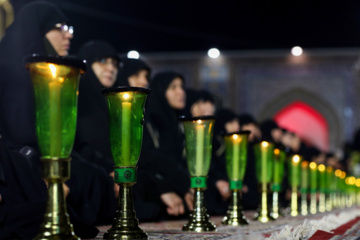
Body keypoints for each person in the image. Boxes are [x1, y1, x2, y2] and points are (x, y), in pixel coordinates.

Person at [0, 2, 108, 237]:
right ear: (38, 30)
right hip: (22, 161)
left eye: (68, 28)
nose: (68, 34)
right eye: (60, 27)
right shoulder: (12, 71)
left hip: (48, 156)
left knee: (101, 178)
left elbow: (72, 140)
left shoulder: (55, 75)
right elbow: (22, 135)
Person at [134, 71, 193, 221]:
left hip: (174, 180)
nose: (181, 92)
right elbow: (149, 158)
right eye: (173, 88)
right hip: (154, 180)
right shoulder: (150, 119)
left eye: (181, 87)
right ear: (161, 91)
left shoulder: (176, 123)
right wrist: (182, 184)